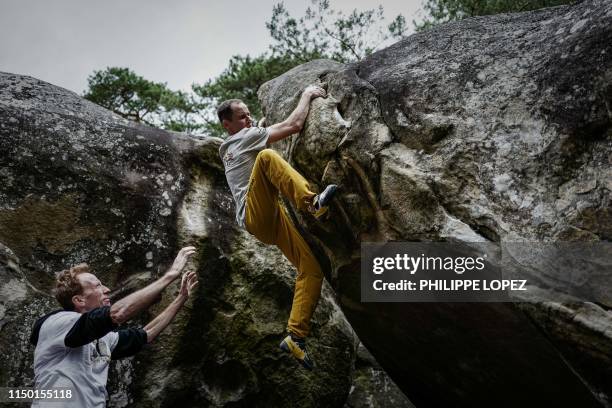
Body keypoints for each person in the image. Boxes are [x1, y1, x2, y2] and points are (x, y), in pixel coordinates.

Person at [217, 86, 337, 370]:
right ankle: (312, 203)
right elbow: (294, 125)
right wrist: (307, 94)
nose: (248, 120)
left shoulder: (236, 144)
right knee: (267, 158)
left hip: (266, 219)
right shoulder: (241, 140)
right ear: (228, 125)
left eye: (249, 115)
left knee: (311, 270)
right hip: (256, 214)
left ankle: (296, 336)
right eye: (242, 117)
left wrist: (258, 128)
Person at [29, 246, 198, 407]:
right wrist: (171, 274)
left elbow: (146, 334)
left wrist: (181, 298)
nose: (107, 289)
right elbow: (118, 313)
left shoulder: (104, 339)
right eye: (97, 286)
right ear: (79, 300)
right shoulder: (56, 323)